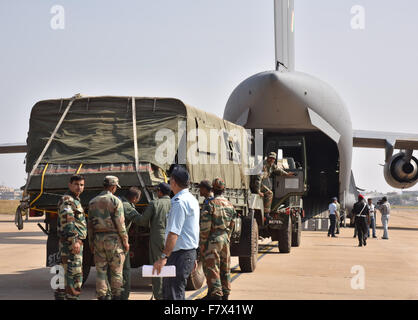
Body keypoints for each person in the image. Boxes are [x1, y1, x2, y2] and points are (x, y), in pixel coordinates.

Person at [152, 166, 200, 300]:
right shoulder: (191, 199)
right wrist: (193, 255)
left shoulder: (179, 203)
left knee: (173, 294)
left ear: (173, 181)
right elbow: (192, 230)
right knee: (173, 292)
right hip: (187, 253)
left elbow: (174, 233)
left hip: (179, 255)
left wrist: (163, 258)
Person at [88, 176, 129, 300]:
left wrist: (91, 243)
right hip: (113, 240)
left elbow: (90, 225)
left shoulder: (92, 202)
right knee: (116, 271)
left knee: (100, 272)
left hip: (98, 240)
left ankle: (102, 296)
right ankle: (117, 296)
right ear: (112, 187)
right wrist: (125, 241)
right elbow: (120, 224)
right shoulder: (116, 201)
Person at [199, 178, 237, 300]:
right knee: (225, 267)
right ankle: (225, 292)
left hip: (213, 240)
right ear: (224, 190)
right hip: (225, 238)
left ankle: (215, 294)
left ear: (213, 189)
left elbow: (206, 226)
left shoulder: (210, 204)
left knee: (212, 267)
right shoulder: (230, 205)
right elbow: (232, 224)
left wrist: (203, 243)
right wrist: (227, 237)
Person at [136, 183, 171, 300]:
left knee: (157, 265)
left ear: (160, 192)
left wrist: (132, 212)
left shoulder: (154, 203)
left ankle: (159, 295)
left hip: (157, 237)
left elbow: (142, 221)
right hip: (172, 238)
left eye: (157, 191)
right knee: (171, 266)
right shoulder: (175, 203)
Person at [54, 174, 87, 300]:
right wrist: (75, 241)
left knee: (65, 275)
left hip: (69, 243)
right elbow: (68, 221)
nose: (79, 187)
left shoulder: (74, 199)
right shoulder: (68, 200)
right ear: (70, 185)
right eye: (76, 184)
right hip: (71, 244)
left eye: (82, 185)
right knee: (74, 275)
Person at [111, 186, 142, 300]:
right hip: (120, 241)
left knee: (112, 269)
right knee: (125, 270)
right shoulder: (127, 206)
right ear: (134, 198)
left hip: (108, 240)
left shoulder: (116, 201)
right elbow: (140, 220)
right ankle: (123, 296)